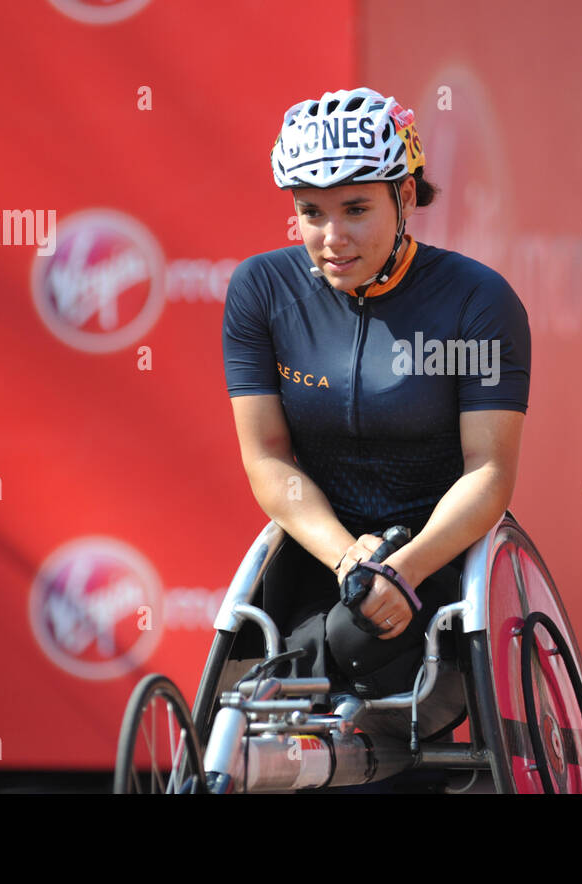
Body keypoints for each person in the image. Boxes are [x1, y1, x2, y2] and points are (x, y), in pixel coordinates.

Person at [221, 86, 531, 786]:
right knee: (306, 650)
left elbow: (489, 472)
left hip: (438, 561)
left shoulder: (475, 300)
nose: (333, 237)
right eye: (311, 212)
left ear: (406, 197)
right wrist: (348, 561)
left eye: (356, 209)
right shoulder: (262, 292)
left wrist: (405, 569)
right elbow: (266, 456)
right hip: (321, 554)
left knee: (355, 632)